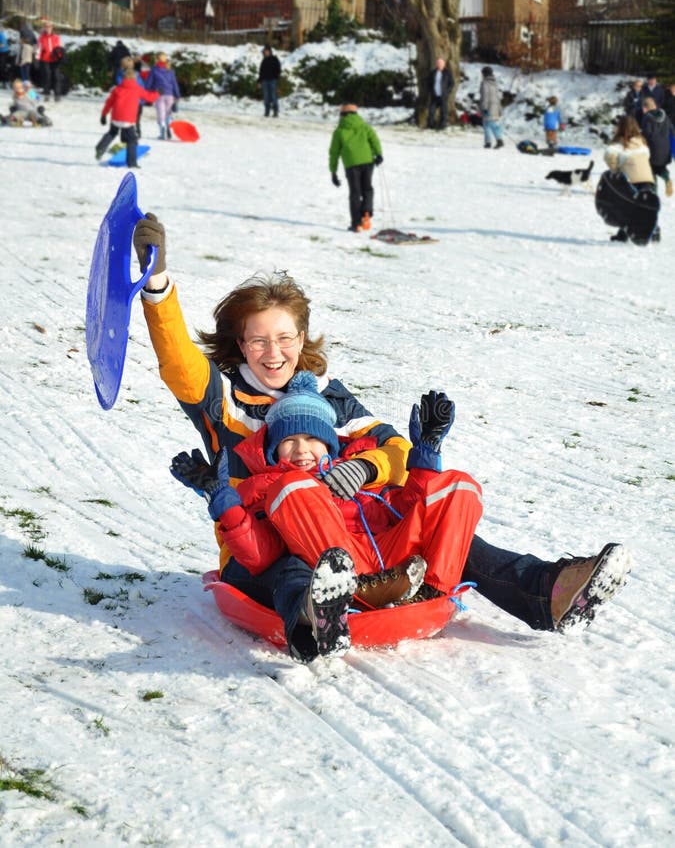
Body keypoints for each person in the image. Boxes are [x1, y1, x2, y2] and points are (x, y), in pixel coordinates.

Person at [130, 215, 632, 658]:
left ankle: (548, 592)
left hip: (352, 544)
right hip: (262, 546)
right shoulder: (225, 400)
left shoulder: (329, 397)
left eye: (284, 338)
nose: (273, 352)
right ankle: (314, 618)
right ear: (241, 344)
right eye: (259, 340)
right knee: (291, 570)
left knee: (447, 528)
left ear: (302, 339)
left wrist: (364, 467)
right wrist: (157, 284)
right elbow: (178, 362)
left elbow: (394, 450)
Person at [171, 376, 483, 660]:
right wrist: (225, 502)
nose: (300, 450)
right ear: (273, 449)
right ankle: (352, 589)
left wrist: (425, 454)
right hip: (337, 570)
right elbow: (261, 556)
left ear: (329, 443)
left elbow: (408, 510)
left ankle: (432, 590)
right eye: (289, 441)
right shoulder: (268, 488)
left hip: (394, 561)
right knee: (292, 485)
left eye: (311, 438)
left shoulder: (353, 472)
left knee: (459, 483)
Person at [329, 103, 383, 232]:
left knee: (355, 193)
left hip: (351, 164)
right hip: (368, 161)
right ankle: (366, 213)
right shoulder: (365, 127)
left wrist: (333, 172)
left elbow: (334, 153)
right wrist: (379, 154)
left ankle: (356, 224)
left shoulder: (339, 131)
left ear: (342, 115)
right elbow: (375, 140)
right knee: (367, 189)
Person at [603, 115, 657, 242]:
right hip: (647, 178)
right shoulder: (642, 141)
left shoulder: (619, 143)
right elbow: (647, 155)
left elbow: (609, 157)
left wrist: (615, 170)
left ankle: (623, 235)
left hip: (630, 179)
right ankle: (654, 231)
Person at [96, 68, 159, 166]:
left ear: (123, 77)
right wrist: (158, 93)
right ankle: (132, 163)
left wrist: (104, 114)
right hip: (128, 119)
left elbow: (109, 103)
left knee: (112, 132)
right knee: (132, 140)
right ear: (135, 78)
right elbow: (149, 97)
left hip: (116, 117)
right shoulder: (137, 89)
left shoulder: (117, 89)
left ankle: (100, 147)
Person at [640, 96, 674, 197]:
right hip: (665, 148)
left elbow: (646, 134)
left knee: (651, 170)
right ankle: (667, 179)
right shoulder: (664, 115)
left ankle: (654, 193)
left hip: (653, 149)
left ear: (645, 108)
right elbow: (672, 130)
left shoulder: (646, 117)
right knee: (661, 167)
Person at [144, 51, 180, 139]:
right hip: (170, 94)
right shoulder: (170, 70)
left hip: (158, 94)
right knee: (168, 113)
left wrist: (146, 91)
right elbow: (174, 83)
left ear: (156, 59)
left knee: (161, 114)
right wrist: (177, 95)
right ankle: (168, 127)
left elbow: (148, 83)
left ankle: (162, 133)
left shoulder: (154, 69)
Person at [37, 20, 63, 102]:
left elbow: (60, 48)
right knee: (47, 76)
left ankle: (57, 95)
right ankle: (46, 94)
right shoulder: (41, 38)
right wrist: (37, 59)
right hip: (45, 60)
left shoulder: (56, 37)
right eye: (46, 27)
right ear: (44, 28)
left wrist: (60, 57)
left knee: (56, 77)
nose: (48, 28)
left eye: (49, 27)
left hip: (55, 60)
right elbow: (38, 49)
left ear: (52, 28)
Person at [479, 66, 504, 149]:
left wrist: (484, 108)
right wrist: (500, 109)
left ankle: (499, 139)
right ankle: (488, 142)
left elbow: (485, 97)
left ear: (484, 73)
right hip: (495, 107)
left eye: (482, 73)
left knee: (491, 124)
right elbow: (498, 97)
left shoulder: (484, 83)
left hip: (488, 107)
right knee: (486, 124)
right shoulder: (495, 83)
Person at [426, 57, 454, 130]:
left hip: (443, 96)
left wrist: (447, 91)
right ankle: (430, 125)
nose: (439, 65)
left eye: (441, 63)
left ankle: (442, 126)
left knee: (443, 112)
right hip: (434, 95)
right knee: (431, 111)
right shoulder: (433, 72)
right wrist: (431, 91)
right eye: (438, 63)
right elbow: (429, 83)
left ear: (444, 64)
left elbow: (452, 83)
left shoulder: (447, 73)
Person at [258, 44, 281, 118]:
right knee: (266, 97)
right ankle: (267, 112)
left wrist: (276, 78)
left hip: (273, 80)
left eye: (266, 51)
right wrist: (259, 81)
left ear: (270, 51)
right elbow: (261, 72)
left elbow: (278, 70)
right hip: (265, 81)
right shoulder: (264, 61)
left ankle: (275, 111)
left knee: (274, 96)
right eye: (264, 52)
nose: (265, 53)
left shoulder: (275, 59)